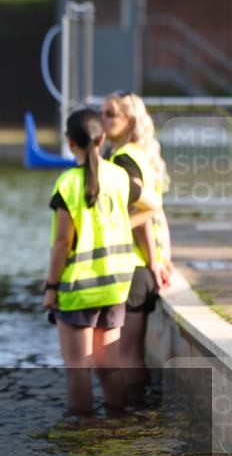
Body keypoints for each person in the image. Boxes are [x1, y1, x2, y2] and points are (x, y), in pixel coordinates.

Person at [43, 108, 156, 416]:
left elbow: (62, 243)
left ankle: (83, 433)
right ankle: (118, 426)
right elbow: (153, 205)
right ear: (102, 139)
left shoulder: (67, 184)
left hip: (79, 287)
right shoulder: (120, 177)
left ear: (70, 142)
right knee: (109, 367)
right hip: (115, 286)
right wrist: (124, 223)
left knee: (78, 368)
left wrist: (51, 287)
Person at [101, 92, 171, 403]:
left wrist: (153, 259)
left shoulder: (123, 160)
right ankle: (141, 415)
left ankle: (129, 418)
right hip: (143, 264)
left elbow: (147, 211)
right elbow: (158, 212)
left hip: (132, 266)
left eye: (109, 115)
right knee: (133, 353)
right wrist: (161, 256)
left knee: (126, 354)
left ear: (128, 121)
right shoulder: (141, 154)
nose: (103, 120)